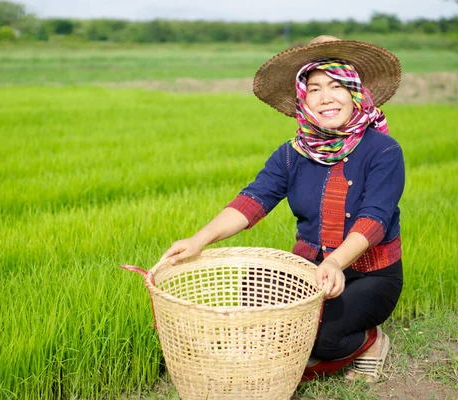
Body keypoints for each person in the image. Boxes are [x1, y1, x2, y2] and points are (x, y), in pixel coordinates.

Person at [161, 35, 404, 382]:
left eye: (336, 86)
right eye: (315, 88)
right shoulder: (292, 153)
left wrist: (336, 261)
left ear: (355, 92)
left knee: (318, 339)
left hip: (370, 275)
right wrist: (199, 239)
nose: (326, 98)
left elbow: (375, 218)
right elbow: (252, 201)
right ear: (304, 99)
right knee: (255, 298)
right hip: (309, 269)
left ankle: (371, 341)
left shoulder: (383, 150)